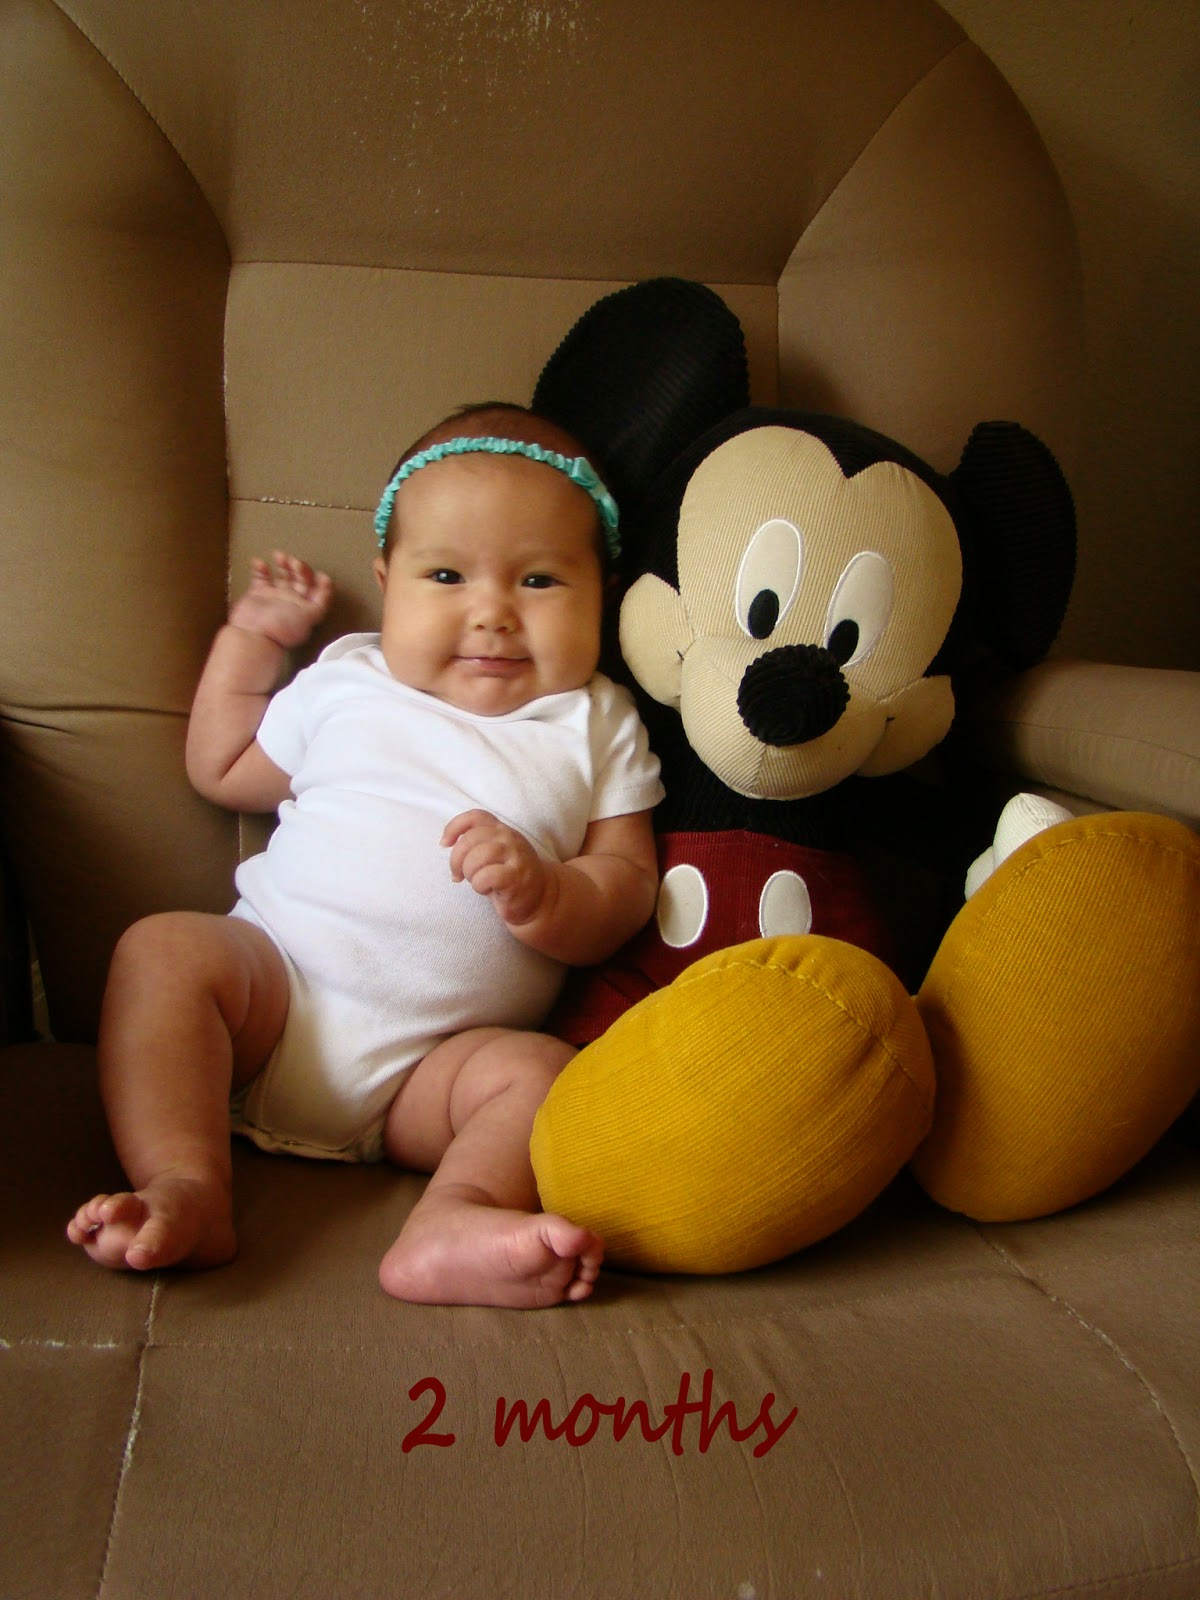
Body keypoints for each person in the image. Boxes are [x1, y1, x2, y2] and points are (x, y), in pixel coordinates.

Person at [67, 404, 664, 1308]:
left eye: (541, 580)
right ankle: (186, 1183)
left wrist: (549, 895)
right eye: (447, 575)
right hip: (270, 997)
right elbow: (222, 766)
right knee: (161, 951)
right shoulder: (349, 677)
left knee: (544, 1076)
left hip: (434, 1071)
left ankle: (452, 1217)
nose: (493, 614)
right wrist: (255, 641)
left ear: (603, 594)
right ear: (387, 584)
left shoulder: (597, 721)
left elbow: (626, 884)